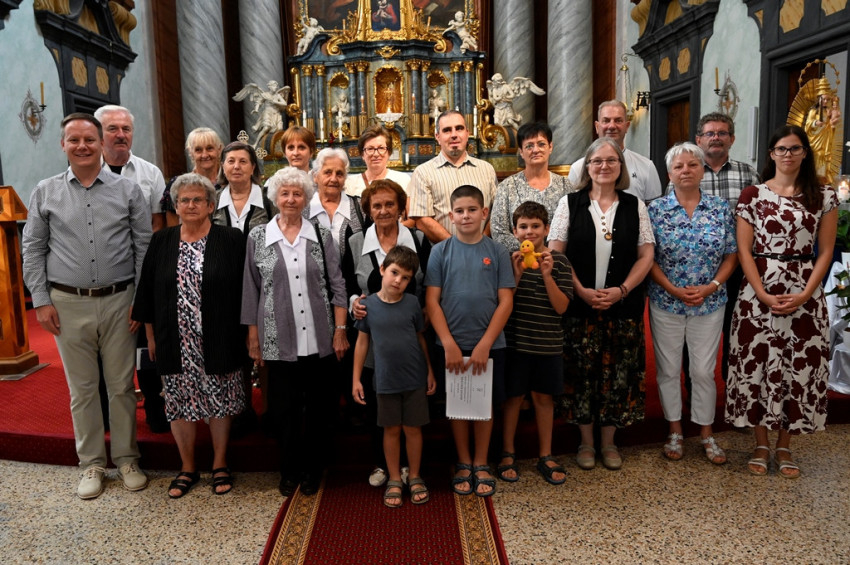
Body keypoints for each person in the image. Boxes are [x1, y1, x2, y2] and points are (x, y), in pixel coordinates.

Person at [22, 113, 151, 499]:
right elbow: (33, 248)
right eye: (74, 140)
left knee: (121, 386)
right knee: (82, 389)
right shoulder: (45, 191)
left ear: (101, 144)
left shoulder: (128, 190)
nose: (82, 146)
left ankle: (127, 458)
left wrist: (140, 300)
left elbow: (143, 246)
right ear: (63, 144)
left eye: (89, 140)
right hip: (68, 304)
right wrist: (41, 300)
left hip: (120, 301)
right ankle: (92, 463)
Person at [726, 125, 838, 478]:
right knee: (757, 364)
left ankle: (785, 444)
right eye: (781, 149)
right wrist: (760, 292)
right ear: (771, 154)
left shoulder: (824, 195)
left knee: (797, 368)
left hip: (804, 290)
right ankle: (760, 443)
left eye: (794, 148)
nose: (787, 155)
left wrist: (806, 293)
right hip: (758, 290)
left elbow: (826, 250)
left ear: (805, 152)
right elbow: (744, 249)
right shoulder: (753, 195)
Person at [132, 173, 247, 497]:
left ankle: (220, 463)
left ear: (211, 206)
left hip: (220, 334)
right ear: (176, 206)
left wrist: (248, 334)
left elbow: (247, 290)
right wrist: (151, 337)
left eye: (198, 200)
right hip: (174, 338)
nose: (191, 205)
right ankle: (187, 467)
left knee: (220, 401)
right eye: (184, 200)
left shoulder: (231, 239)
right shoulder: (162, 241)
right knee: (179, 402)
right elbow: (148, 291)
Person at [242, 167, 349, 496]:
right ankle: (289, 469)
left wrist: (340, 330)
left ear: (306, 198)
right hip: (277, 339)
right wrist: (253, 337)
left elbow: (337, 284)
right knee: (283, 410)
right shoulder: (258, 236)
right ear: (275, 197)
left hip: (320, 337)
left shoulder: (320, 234)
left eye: (297, 193)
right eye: (285, 193)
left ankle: (313, 468)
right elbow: (250, 289)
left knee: (318, 409)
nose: (291, 199)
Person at [549, 138, 655, 471]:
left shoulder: (635, 205)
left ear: (621, 167)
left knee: (618, 373)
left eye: (611, 160)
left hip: (622, 307)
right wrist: (580, 290)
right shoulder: (570, 203)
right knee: (581, 373)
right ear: (587, 166)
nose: (604, 166)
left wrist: (622, 290)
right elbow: (555, 253)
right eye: (597, 161)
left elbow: (646, 255)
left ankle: (608, 442)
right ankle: (585, 441)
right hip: (580, 307)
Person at [647, 143, 737, 464]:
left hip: (709, 303)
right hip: (666, 301)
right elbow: (647, 257)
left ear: (702, 171)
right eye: (678, 166)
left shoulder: (720, 208)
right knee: (669, 369)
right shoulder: (655, 210)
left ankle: (706, 431)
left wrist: (713, 286)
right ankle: (675, 429)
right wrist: (671, 288)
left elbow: (731, 254)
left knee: (702, 371)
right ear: (669, 174)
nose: (685, 170)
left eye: (692, 165)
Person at [425, 185, 514, 496]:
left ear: (484, 213)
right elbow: (432, 301)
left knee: (484, 403)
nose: (466, 216)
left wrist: (485, 343)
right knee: (459, 403)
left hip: (489, 344)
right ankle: (463, 460)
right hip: (451, 344)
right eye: (459, 211)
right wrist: (448, 342)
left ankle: (481, 461)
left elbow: (506, 301)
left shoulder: (497, 252)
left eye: (472, 210)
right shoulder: (440, 252)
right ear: (451, 216)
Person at [342, 179, 431, 488]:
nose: (383, 211)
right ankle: (383, 464)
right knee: (378, 408)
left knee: (410, 409)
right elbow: (346, 284)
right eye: (376, 205)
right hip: (372, 336)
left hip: (408, 336)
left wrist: (426, 309)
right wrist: (354, 304)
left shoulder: (418, 239)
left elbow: (429, 282)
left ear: (400, 207)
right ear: (368, 209)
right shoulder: (355, 242)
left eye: (389, 204)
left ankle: (410, 467)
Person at [95, 105, 169, 433]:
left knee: (146, 345)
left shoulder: (150, 173)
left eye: (126, 129)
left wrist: (146, 275)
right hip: (102, 276)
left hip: (142, 272)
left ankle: (155, 408)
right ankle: (106, 414)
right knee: (103, 350)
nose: (121, 134)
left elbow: (158, 224)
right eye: (113, 128)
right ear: (100, 134)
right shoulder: (86, 172)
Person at [352, 246, 436, 507]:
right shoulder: (367, 305)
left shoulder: (412, 303)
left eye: (406, 277)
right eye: (395, 273)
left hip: (414, 378)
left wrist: (429, 370)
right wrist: (355, 379)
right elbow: (362, 343)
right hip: (385, 381)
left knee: (413, 429)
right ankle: (394, 478)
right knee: (391, 430)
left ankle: (415, 475)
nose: (398, 280)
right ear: (382, 270)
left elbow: (420, 337)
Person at [498, 202, 572, 485]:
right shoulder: (509, 260)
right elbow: (502, 304)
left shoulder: (559, 262)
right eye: (523, 227)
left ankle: (545, 454)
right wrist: (516, 275)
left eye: (535, 226)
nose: (529, 232)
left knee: (543, 398)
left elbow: (561, 307)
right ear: (515, 231)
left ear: (547, 229)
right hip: (516, 342)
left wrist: (547, 275)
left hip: (547, 342)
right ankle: (507, 452)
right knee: (513, 399)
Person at [688, 112, 760, 381]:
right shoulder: (687, 172)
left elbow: (761, 216)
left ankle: (733, 393)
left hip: (740, 265)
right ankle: (694, 395)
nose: (716, 138)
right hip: (698, 269)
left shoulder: (748, 174)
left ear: (732, 139)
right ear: (699, 140)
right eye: (710, 133)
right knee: (694, 339)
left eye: (722, 133)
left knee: (736, 331)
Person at [409, 110, 498, 243]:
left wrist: (482, 242)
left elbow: (497, 212)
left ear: (467, 133)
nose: (454, 135)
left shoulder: (487, 169)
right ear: (437, 137)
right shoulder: (423, 172)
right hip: (443, 251)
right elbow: (422, 220)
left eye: (459, 128)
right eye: (447, 130)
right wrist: (456, 247)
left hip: (484, 250)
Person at [490, 122, 574, 251]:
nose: (535, 150)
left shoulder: (565, 185)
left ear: (550, 147)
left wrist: (551, 254)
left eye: (541, 144)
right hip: (518, 259)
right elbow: (498, 231)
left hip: (557, 257)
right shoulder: (507, 186)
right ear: (521, 152)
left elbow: (573, 226)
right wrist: (530, 251)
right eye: (529, 146)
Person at [568, 100, 662, 203]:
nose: (612, 126)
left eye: (618, 120)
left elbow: (653, 209)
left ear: (627, 126)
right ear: (597, 127)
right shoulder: (578, 169)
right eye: (606, 121)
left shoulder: (646, 167)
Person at [307, 147, 367, 259]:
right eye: (328, 173)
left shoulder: (361, 208)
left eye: (339, 174)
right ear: (315, 176)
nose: (334, 179)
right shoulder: (303, 210)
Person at [161, 127, 226, 226]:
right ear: (190, 152)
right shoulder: (178, 185)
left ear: (219, 149)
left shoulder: (230, 182)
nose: (205, 155)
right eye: (198, 150)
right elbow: (173, 228)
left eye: (209, 148)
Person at [213, 141, 277, 235]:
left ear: (253, 167)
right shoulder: (213, 200)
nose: (236, 166)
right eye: (231, 161)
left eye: (243, 161)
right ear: (223, 167)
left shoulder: (270, 198)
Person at [344, 125, 410, 198]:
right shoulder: (350, 184)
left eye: (381, 148)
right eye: (370, 149)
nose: (376, 154)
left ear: (389, 152)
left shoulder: (403, 180)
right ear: (362, 154)